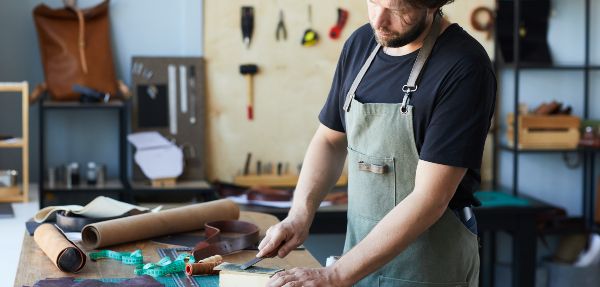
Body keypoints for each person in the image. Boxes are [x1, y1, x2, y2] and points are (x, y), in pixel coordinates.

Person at [257, 0, 496, 286]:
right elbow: (329, 141)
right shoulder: (360, 44)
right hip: (356, 266)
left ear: (433, 4)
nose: (379, 20)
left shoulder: (464, 65)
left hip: (428, 271)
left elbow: (430, 199)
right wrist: (299, 214)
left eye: (397, 10)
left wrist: (334, 275)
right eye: (373, 2)